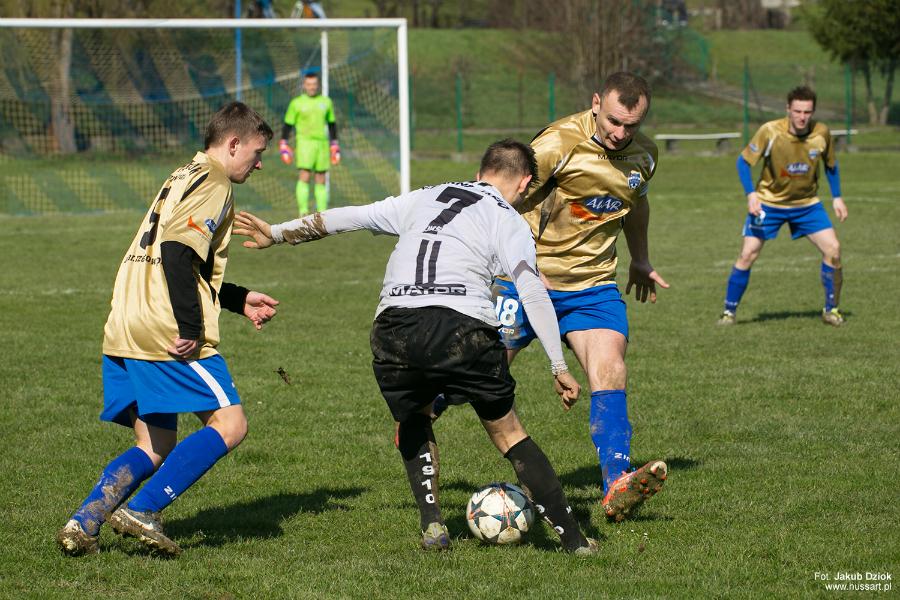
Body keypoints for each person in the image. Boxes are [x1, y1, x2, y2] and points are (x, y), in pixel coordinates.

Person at [234, 139, 599, 555]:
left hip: (394, 328)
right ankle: (574, 540)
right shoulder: (507, 217)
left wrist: (278, 233)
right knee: (508, 433)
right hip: (464, 329)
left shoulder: (425, 196)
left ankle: (432, 525)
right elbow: (531, 287)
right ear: (525, 182)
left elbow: (346, 217)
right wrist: (557, 364)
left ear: (482, 170)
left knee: (415, 417)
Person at [56, 102, 279, 558]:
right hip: (165, 326)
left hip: (125, 319)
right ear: (233, 143)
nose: (259, 163)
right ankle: (144, 510)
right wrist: (192, 327)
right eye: (256, 152)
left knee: (155, 443)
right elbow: (178, 251)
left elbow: (178, 257)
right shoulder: (215, 183)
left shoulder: (182, 175)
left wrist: (237, 299)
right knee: (231, 424)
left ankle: (84, 521)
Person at [446, 72, 668, 523]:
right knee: (475, 373)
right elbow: (500, 197)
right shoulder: (556, 144)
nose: (620, 134)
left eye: (632, 125)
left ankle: (616, 486)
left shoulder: (644, 154)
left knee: (611, 369)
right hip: (525, 282)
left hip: (593, 285)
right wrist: (519, 265)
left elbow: (636, 204)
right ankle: (421, 411)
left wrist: (640, 259)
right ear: (594, 104)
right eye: (613, 121)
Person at [718, 85, 847, 327]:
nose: (802, 117)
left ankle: (832, 310)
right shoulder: (770, 131)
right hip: (768, 204)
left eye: (807, 112)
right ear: (788, 109)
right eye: (797, 111)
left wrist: (837, 196)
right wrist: (751, 194)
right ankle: (728, 312)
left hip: (807, 205)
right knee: (747, 254)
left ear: (813, 112)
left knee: (834, 250)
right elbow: (743, 162)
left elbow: (832, 165)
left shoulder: (822, 133)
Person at [279, 70, 340, 216]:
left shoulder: (326, 102)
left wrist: (334, 144)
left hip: (322, 145)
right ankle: (303, 211)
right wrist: (283, 143)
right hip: (304, 143)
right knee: (304, 176)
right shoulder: (296, 103)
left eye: (314, 84)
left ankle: (323, 213)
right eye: (309, 84)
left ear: (317, 85)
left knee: (321, 178)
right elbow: (288, 124)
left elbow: (332, 124)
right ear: (304, 85)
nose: (311, 87)